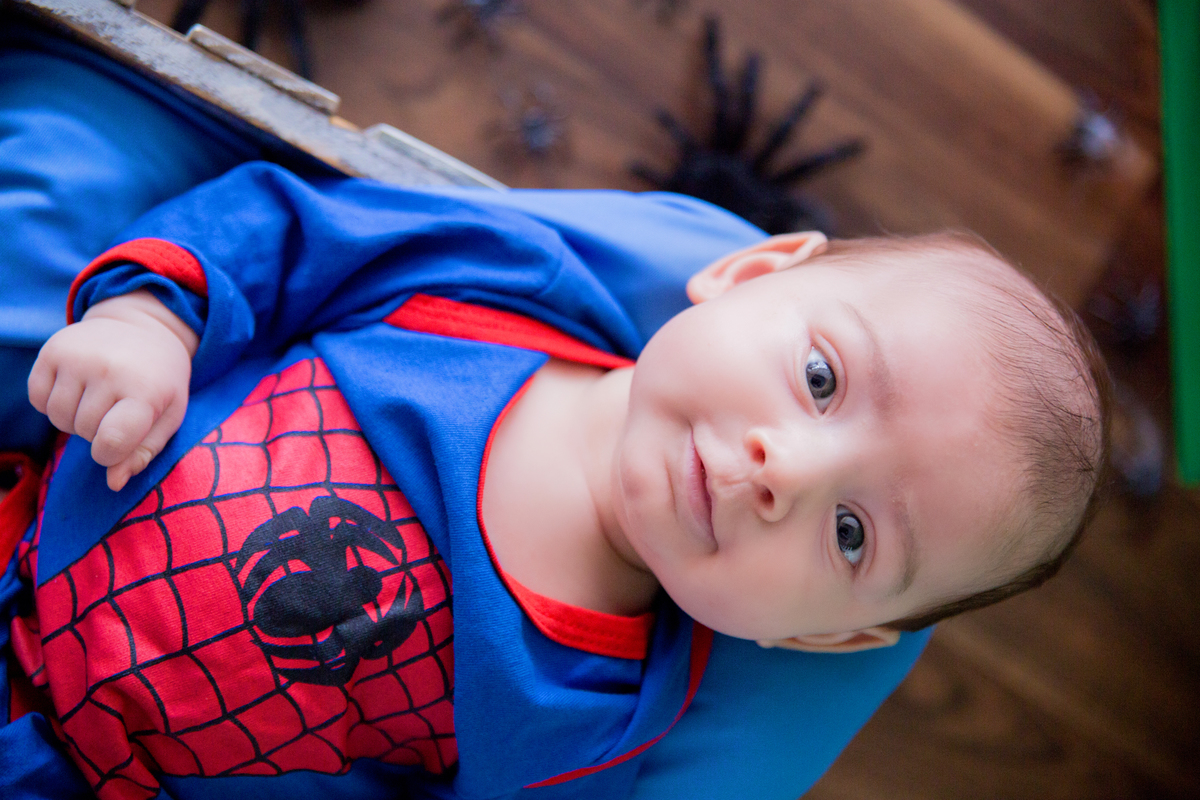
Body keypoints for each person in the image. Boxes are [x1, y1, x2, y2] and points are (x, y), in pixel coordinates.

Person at [7, 150, 1109, 799]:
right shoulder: (495, 288)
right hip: (29, 513)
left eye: (855, 534)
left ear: (823, 637)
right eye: (820, 377)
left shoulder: (592, 725)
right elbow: (281, 233)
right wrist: (154, 315)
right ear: (746, 272)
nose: (787, 470)